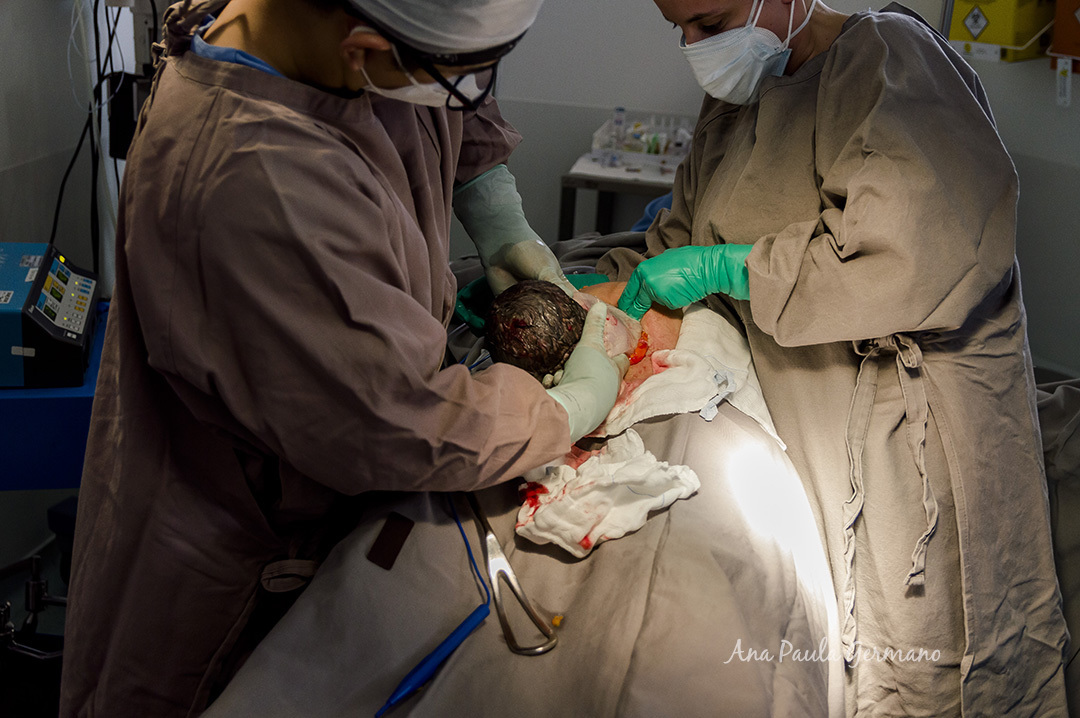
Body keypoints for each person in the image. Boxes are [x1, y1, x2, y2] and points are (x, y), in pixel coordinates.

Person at [59, 0, 627, 715]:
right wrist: (565, 407)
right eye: (454, 80)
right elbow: (403, 423)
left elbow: (445, 94)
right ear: (361, 49)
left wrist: (495, 212)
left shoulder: (331, 33)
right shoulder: (255, 178)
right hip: (237, 568)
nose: (466, 97)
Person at [604, 0, 1070, 714]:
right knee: (845, 667)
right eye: (681, 29)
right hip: (812, 425)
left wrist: (732, 269)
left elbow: (911, 255)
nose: (694, 47)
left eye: (711, 23)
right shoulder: (736, 100)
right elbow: (677, 241)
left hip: (914, 443)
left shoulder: (889, 59)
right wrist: (569, 282)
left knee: (931, 665)